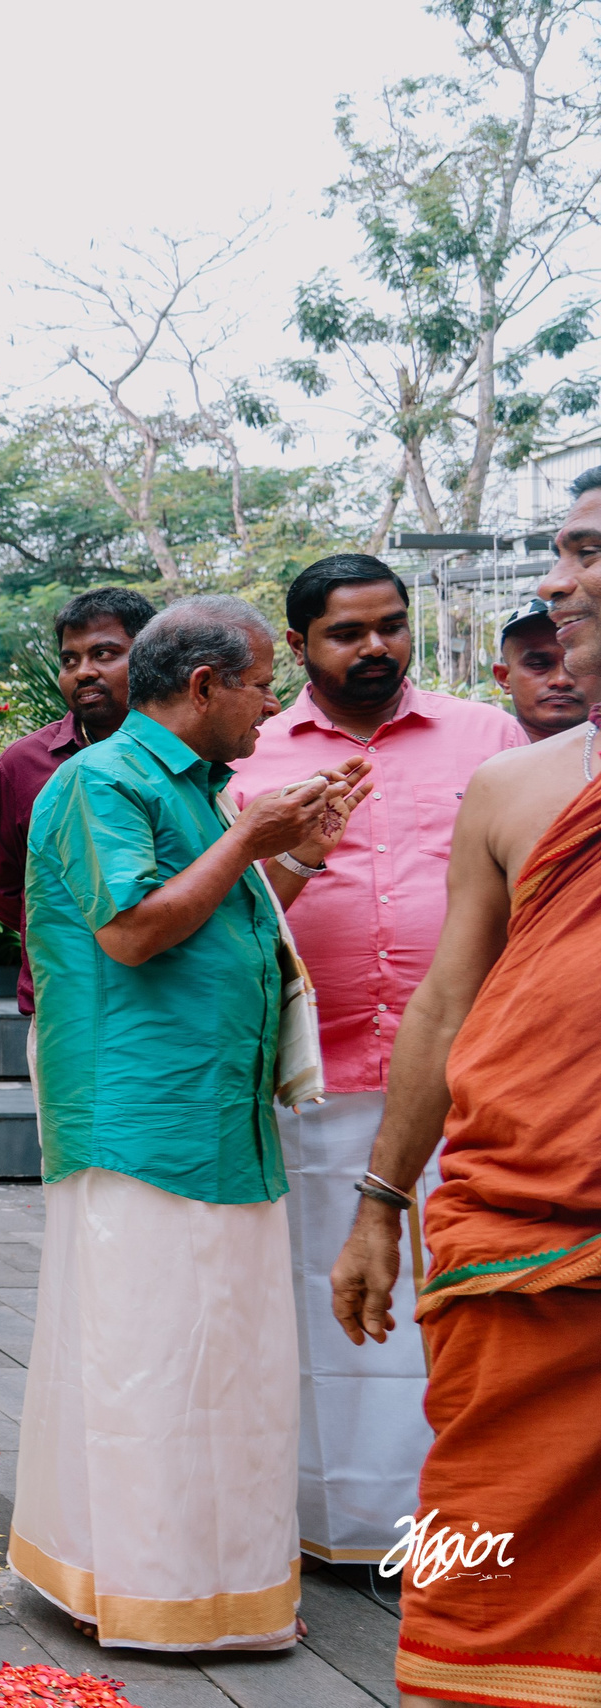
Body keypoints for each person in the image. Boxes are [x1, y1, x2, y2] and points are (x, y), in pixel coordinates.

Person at [10, 594, 368, 1651]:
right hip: (141, 1124)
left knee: (230, 1368)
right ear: (204, 683)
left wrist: (292, 856)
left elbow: (222, 924)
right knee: (151, 1367)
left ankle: (224, 1587)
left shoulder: (205, 795)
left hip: (218, 1118)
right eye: (262, 682)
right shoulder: (99, 782)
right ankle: (152, 1594)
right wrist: (254, 833)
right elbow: (131, 932)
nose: (275, 704)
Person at [331, 468, 601, 1706]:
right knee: (469, 1551)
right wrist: (380, 1200)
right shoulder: (517, 786)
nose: (553, 588)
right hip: (514, 1239)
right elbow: (445, 1003)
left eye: (585, 553)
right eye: (558, 554)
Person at [219, 554, 522, 1569]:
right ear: (298, 643)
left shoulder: (487, 739)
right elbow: (228, 917)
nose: (377, 647)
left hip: (465, 1074)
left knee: (451, 1306)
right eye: (347, 633)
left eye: (390, 625)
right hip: (314, 1074)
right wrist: (295, 847)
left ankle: (445, 1534)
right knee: (323, 1302)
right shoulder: (248, 753)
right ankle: (326, 1530)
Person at [0, 586, 158, 1018]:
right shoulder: (21, 766)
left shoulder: (190, 753)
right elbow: (4, 891)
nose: (83, 672)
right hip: (68, 1004)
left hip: (170, 998)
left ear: (152, 655)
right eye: (69, 660)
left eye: (105, 654)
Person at [489, 596, 589, 738]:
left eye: (580, 663)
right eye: (538, 665)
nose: (561, 680)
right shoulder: (480, 756)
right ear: (504, 677)